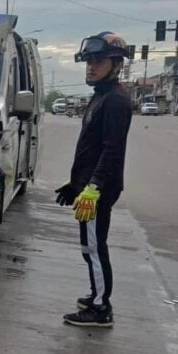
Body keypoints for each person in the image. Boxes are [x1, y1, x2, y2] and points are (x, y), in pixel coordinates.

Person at [55, 31, 133, 328]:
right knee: (90, 247)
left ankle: (101, 308)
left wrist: (93, 188)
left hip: (98, 189)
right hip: (89, 185)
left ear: (116, 64)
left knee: (95, 248)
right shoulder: (101, 97)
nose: (91, 67)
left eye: (98, 61)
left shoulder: (115, 101)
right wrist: (75, 184)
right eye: (89, 61)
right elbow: (91, 148)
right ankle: (96, 295)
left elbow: (112, 151)